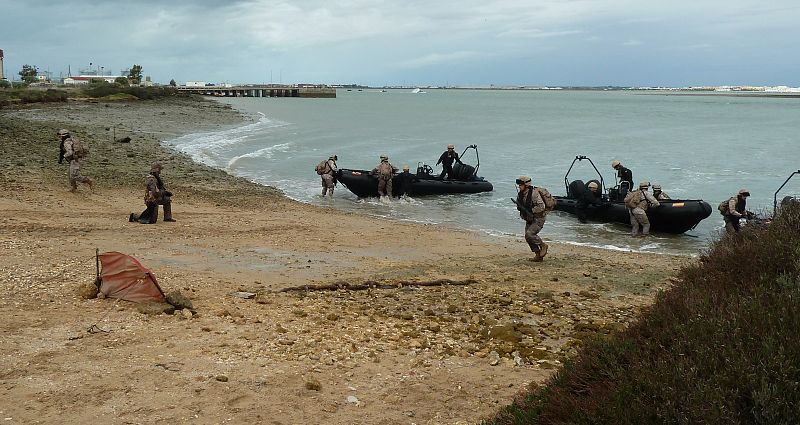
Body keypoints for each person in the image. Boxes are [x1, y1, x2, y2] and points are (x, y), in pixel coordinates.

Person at [515, 176, 549, 262]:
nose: (519, 186)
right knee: (528, 237)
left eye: (521, 185)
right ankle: (538, 256)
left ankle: (543, 245)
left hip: (538, 218)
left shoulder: (534, 194)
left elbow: (541, 207)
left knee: (530, 234)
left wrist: (531, 211)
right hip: (529, 218)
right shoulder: (521, 194)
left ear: (526, 185)